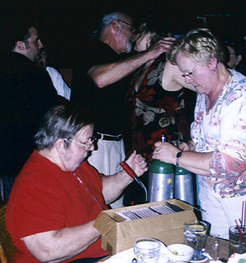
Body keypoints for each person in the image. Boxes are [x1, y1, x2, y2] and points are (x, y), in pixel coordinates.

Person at [5, 105, 147, 263]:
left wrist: (127, 175)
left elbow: (100, 192)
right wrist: (104, 223)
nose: (92, 147)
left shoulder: (73, 164)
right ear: (60, 146)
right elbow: (48, 250)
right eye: (86, 142)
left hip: (100, 253)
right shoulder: (33, 184)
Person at [71, 12, 174, 208]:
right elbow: (100, 78)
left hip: (116, 145)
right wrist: (150, 53)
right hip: (95, 147)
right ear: (115, 26)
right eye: (132, 30)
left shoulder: (123, 60)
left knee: (115, 209)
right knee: (95, 208)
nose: (134, 35)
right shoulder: (91, 48)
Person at [152, 28, 246, 239]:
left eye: (189, 72)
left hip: (238, 201)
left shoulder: (240, 98)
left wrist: (176, 157)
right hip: (210, 195)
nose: (186, 79)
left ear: (212, 61)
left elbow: (231, 164)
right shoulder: (206, 91)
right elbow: (208, 140)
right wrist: (191, 147)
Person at [124, 16, 195, 205]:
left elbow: (206, 88)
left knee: (166, 212)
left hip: (166, 153)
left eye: (138, 33)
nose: (133, 37)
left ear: (152, 34)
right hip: (141, 153)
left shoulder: (170, 64)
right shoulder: (140, 67)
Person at [0, 21, 59, 201]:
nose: (41, 45)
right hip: (28, 162)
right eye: (36, 41)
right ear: (21, 45)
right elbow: (52, 117)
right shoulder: (36, 74)